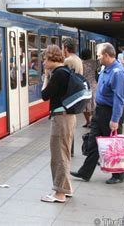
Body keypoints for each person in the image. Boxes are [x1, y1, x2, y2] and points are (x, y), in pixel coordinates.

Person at [71, 42, 124, 184]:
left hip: (110, 112)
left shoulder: (118, 73)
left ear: (107, 55)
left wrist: (115, 119)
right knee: (93, 142)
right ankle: (85, 172)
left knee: (113, 144)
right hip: (100, 111)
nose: (98, 59)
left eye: (99, 56)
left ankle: (118, 175)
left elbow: (119, 98)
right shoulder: (105, 68)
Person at [40, 45, 76, 203]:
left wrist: (46, 77)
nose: (43, 63)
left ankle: (60, 193)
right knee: (64, 153)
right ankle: (67, 188)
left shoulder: (58, 74)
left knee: (58, 155)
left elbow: (45, 95)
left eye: (44, 60)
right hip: (67, 117)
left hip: (61, 118)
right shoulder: (66, 71)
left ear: (51, 59)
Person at [80, 48, 97, 128]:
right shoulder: (94, 62)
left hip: (84, 86)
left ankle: (88, 121)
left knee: (85, 106)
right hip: (93, 85)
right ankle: (92, 121)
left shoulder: (81, 63)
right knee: (93, 105)